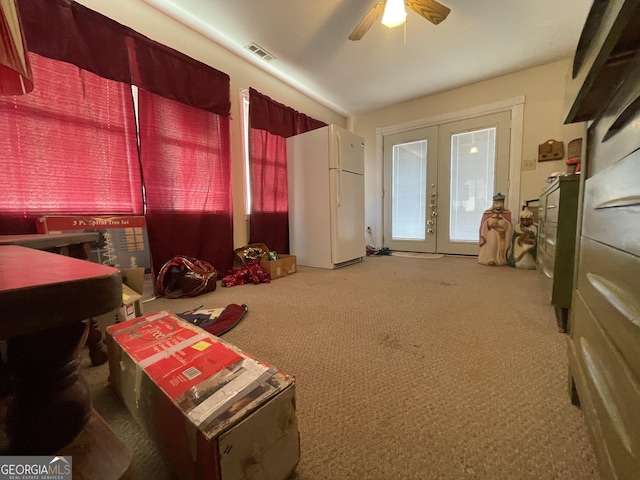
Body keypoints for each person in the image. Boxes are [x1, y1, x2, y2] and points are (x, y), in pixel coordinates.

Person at [478, 193, 513, 266]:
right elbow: (483, 226)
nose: (499, 205)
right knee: (493, 241)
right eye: (496, 203)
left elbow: (509, 226)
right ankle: (491, 258)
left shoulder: (507, 213)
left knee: (500, 244)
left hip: (502, 235)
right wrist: (489, 224)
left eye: (501, 203)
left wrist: (503, 224)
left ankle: (500, 258)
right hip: (490, 234)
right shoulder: (487, 213)